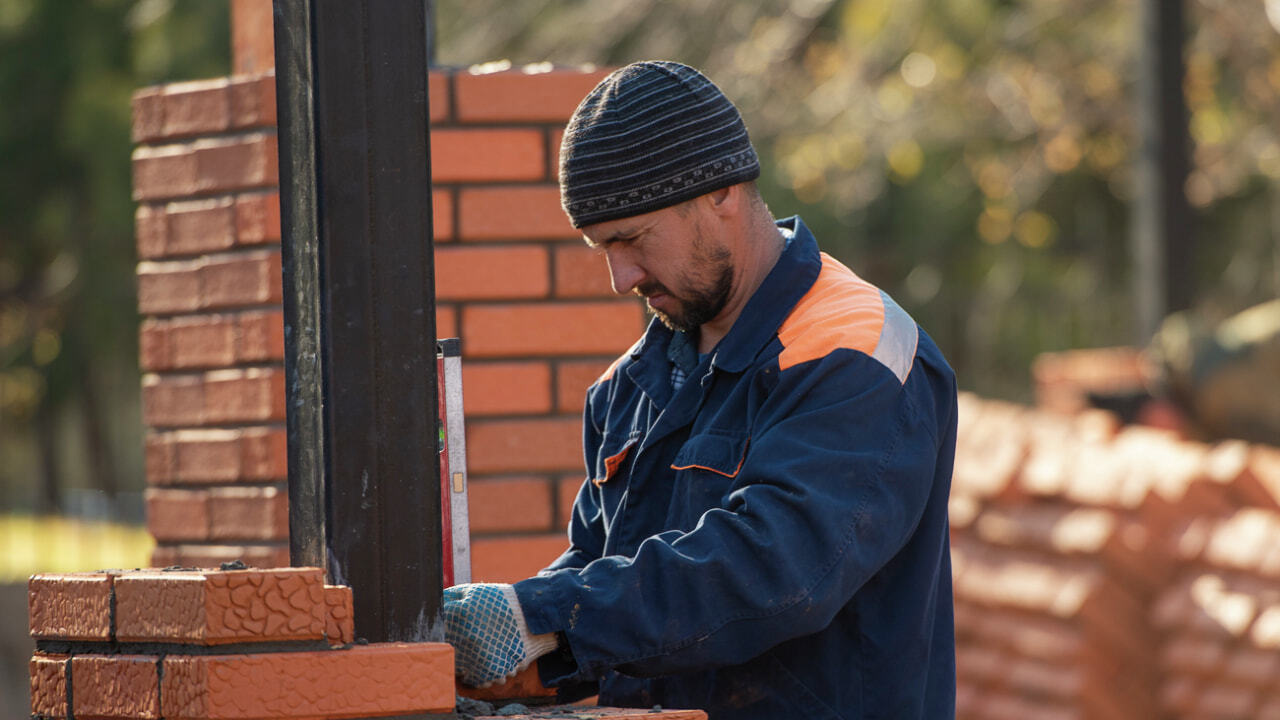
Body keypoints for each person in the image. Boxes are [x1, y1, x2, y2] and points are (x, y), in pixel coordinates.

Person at [443, 60, 957, 719]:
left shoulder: (857, 352)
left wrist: (539, 614)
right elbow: (605, 574)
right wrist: (498, 650)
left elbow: (779, 568)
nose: (620, 277)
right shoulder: (629, 387)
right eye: (601, 247)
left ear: (719, 193)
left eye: (631, 240)